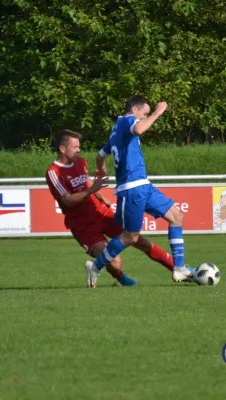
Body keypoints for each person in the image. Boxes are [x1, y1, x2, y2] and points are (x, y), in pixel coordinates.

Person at [85, 95, 195, 286]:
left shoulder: (117, 129)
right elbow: (139, 128)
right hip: (132, 189)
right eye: (144, 113)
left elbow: (101, 155)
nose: (144, 117)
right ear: (134, 110)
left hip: (143, 185)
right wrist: (157, 112)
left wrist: (101, 168)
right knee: (130, 236)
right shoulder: (128, 121)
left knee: (177, 216)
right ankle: (95, 267)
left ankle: (179, 268)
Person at [45, 129, 176, 287]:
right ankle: (123, 281)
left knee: (137, 239)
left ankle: (178, 269)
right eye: (75, 147)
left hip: (101, 213)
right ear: (62, 149)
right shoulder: (54, 172)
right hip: (83, 226)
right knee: (114, 261)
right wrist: (92, 190)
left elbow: (86, 181)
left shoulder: (80, 162)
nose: (79, 150)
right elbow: (67, 201)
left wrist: (102, 197)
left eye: (79, 146)